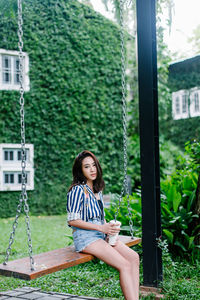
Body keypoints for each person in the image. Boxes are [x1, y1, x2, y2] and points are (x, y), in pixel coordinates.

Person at [67, 150, 139, 300]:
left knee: (133, 257)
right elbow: (72, 221)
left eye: (94, 165)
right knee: (124, 265)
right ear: (80, 170)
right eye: (87, 167)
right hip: (85, 238)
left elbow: (100, 218)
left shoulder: (97, 190)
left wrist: (108, 230)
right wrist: (101, 228)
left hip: (101, 235)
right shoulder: (77, 190)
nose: (92, 169)